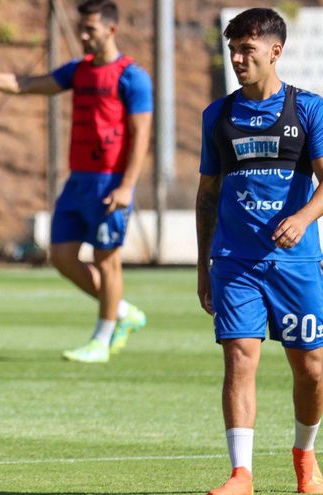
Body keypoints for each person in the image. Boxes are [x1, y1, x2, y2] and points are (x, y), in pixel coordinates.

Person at [0, 0, 151, 363]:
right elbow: (24, 84)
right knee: (62, 257)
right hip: (78, 181)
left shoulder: (132, 77)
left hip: (110, 182)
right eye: (82, 28)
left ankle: (102, 339)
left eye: (90, 29)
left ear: (111, 30)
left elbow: (141, 135)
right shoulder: (78, 71)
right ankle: (122, 312)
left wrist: (126, 185)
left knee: (107, 261)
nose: (84, 35)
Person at [196, 8, 323, 495]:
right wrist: (203, 267)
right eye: (232, 49)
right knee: (240, 358)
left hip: (296, 263)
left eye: (247, 49)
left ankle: (305, 454)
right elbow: (207, 195)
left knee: (310, 368)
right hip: (235, 261)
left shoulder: (307, 109)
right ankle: (241, 474)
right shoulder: (219, 114)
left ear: (275, 51)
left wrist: (304, 217)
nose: (237, 58)